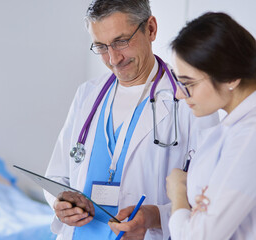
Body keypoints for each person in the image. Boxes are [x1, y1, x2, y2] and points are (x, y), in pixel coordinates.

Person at [44, 1, 219, 239]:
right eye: (101, 46)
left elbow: (210, 196)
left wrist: (153, 217)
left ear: (151, 29)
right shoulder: (87, 94)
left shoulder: (193, 96)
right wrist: (61, 201)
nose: (113, 58)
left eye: (121, 41)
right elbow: (56, 176)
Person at [166, 12, 256, 239]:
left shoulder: (249, 136)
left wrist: (178, 192)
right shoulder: (233, 126)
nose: (178, 94)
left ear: (231, 76)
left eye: (188, 83)